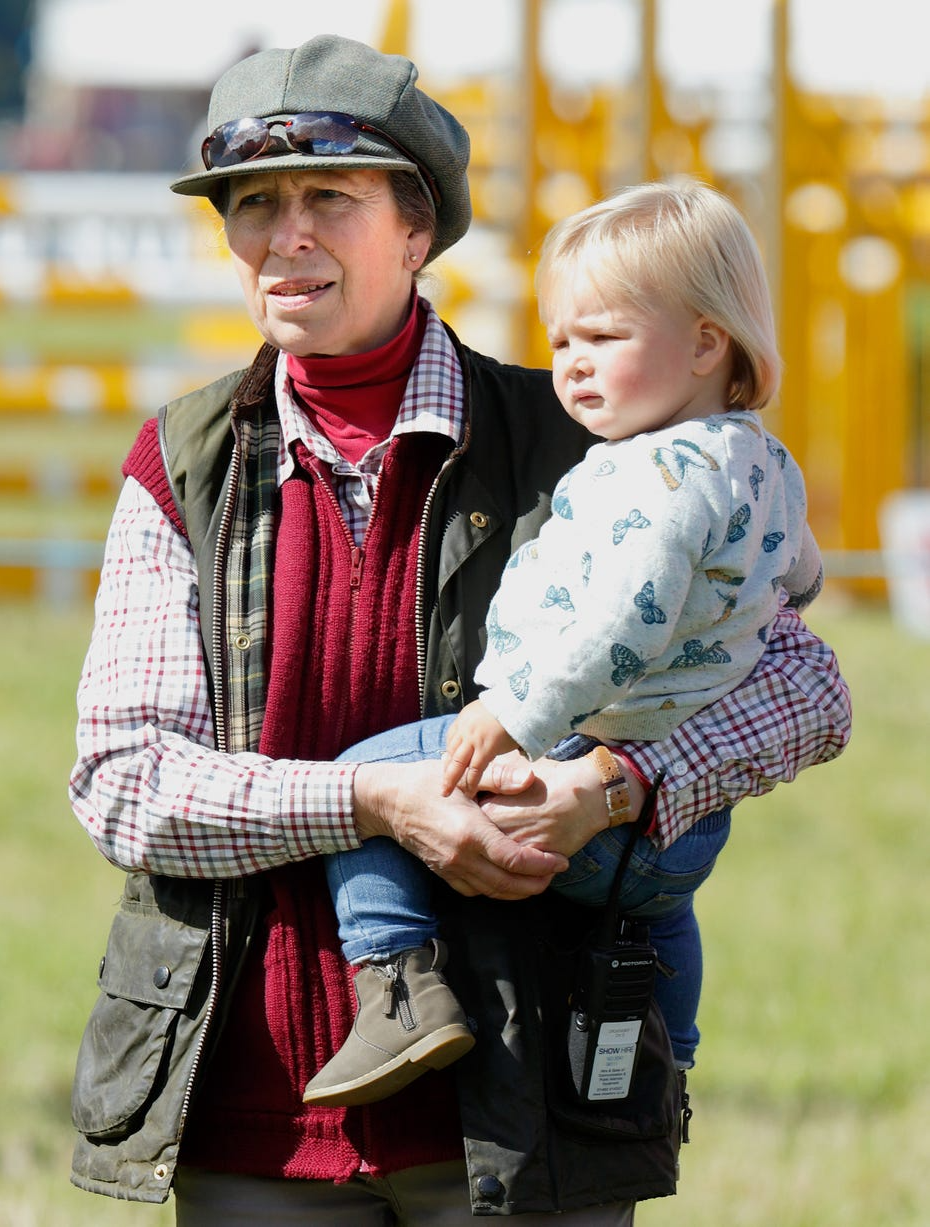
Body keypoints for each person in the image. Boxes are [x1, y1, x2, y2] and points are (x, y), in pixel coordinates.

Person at [68, 34, 851, 1226]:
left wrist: (612, 787)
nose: (285, 236)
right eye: (253, 204)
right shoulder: (178, 464)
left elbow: (807, 694)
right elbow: (124, 784)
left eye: (330, 197)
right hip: (254, 1112)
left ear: (417, 228)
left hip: (529, 1107)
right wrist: (376, 802)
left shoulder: (600, 441)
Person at [305, 179, 825, 1109]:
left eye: (604, 338)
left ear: (707, 342)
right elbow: (802, 573)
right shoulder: (762, 458)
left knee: (367, 778)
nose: (574, 366)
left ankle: (396, 983)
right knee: (660, 911)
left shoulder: (661, 477)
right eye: (561, 342)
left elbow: (618, 629)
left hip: (582, 754)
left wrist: (515, 714)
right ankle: (670, 1055)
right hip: (684, 819)